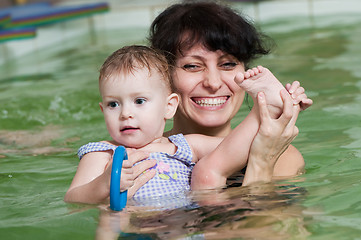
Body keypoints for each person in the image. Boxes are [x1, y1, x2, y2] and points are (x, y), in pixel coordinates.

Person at [64, 45, 308, 205]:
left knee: (207, 174)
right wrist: (104, 183)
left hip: (192, 224)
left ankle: (265, 107)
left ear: (169, 107)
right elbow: (74, 199)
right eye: (113, 105)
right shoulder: (103, 153)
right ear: (102, 110)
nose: (126, 114)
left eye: (139, 101)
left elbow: (233, 149)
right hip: (138, 228)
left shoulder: (180, 145)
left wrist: (273, 117)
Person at [149, 1, 313, 186]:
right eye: (193, 66)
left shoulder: (282, 158)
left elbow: (270, 217)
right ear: (162, 77)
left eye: (228, 64)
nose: (213, 83)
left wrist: (262, 161)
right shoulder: (132, 156)